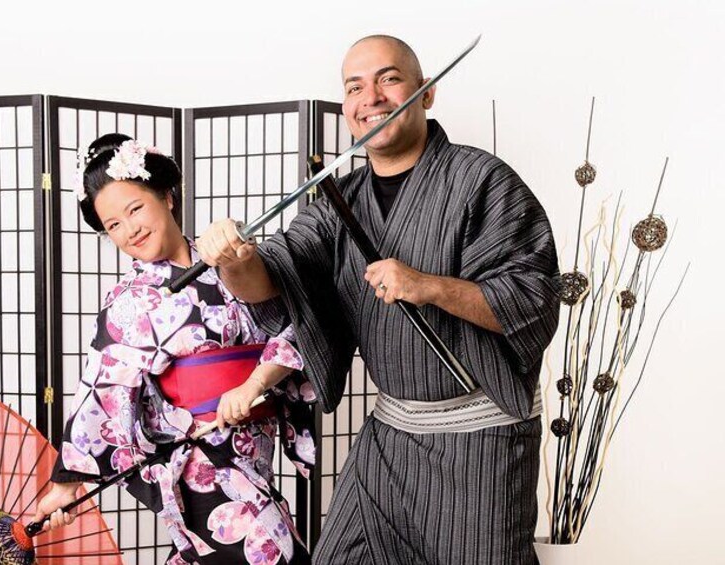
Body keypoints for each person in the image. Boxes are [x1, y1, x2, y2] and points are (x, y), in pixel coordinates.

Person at [197, 35, 560, 564]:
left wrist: (426, 285)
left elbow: (532, 297)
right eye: (355, 87)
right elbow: (278, 276)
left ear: (426, 92)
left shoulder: (483, 180)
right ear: (345, 107)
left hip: (479, 442)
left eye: (389, 79)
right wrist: (234, 258)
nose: (372, 96)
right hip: (389, 437)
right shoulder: (336, 200)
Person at [34, 134, 316, 565]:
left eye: (135, 209)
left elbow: (291, 323)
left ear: (166, 196)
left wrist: (255, 383)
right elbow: (103, 390)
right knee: (276, 556)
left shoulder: (228, 258)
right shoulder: (130, 302)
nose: (130, 230)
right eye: (113, 225)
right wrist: (66, 483)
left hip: (252, 451)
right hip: (202, 463)